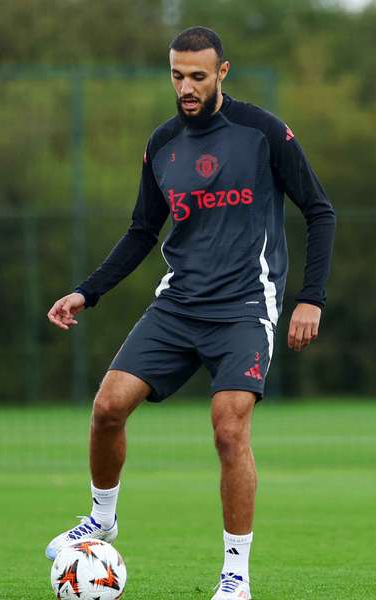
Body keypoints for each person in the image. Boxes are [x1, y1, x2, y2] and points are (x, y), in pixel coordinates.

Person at [44, 25, 335, 600]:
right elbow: (141, 231)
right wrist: (87, 291)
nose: (186, 86)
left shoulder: (263, 133)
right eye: (177, 75)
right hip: (178, 304)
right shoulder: (162, 144)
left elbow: (320, 211)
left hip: (246, 305)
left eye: (198, 76)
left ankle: (235, 574)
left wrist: (311, 297)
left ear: (223, 72)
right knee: (107, 408)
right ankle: (102, 519)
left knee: (229, 428)